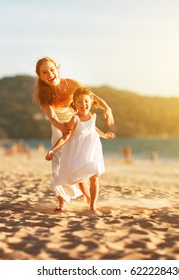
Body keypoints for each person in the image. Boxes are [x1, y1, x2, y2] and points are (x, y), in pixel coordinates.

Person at [33, 57, 114, 211]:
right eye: (45, 72)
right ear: (40, 76)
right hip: (59, 128)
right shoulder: (43, 95)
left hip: (77, 125)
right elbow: (52, 117)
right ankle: (62, 201)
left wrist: (107, 109)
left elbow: (92, 98)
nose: (50, 74)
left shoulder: (72, 84)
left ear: (57, 69)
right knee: (58, 165)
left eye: (51, 69)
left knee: (78, 162)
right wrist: (62, 128)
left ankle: (89, 198)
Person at [45, 87, 116, 211]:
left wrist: (104, 135)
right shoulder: (75, 119)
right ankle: (88, 198)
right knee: (81, 181)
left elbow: (92, 129)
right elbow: (65, 137)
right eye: (80, 102)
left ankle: (93, 205)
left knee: (95, 176)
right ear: (74, 104)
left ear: (91, 101)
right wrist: (53, 150)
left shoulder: (93, 116)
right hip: (78, 152)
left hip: (92, 150)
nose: (83, 105)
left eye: (86, 101)